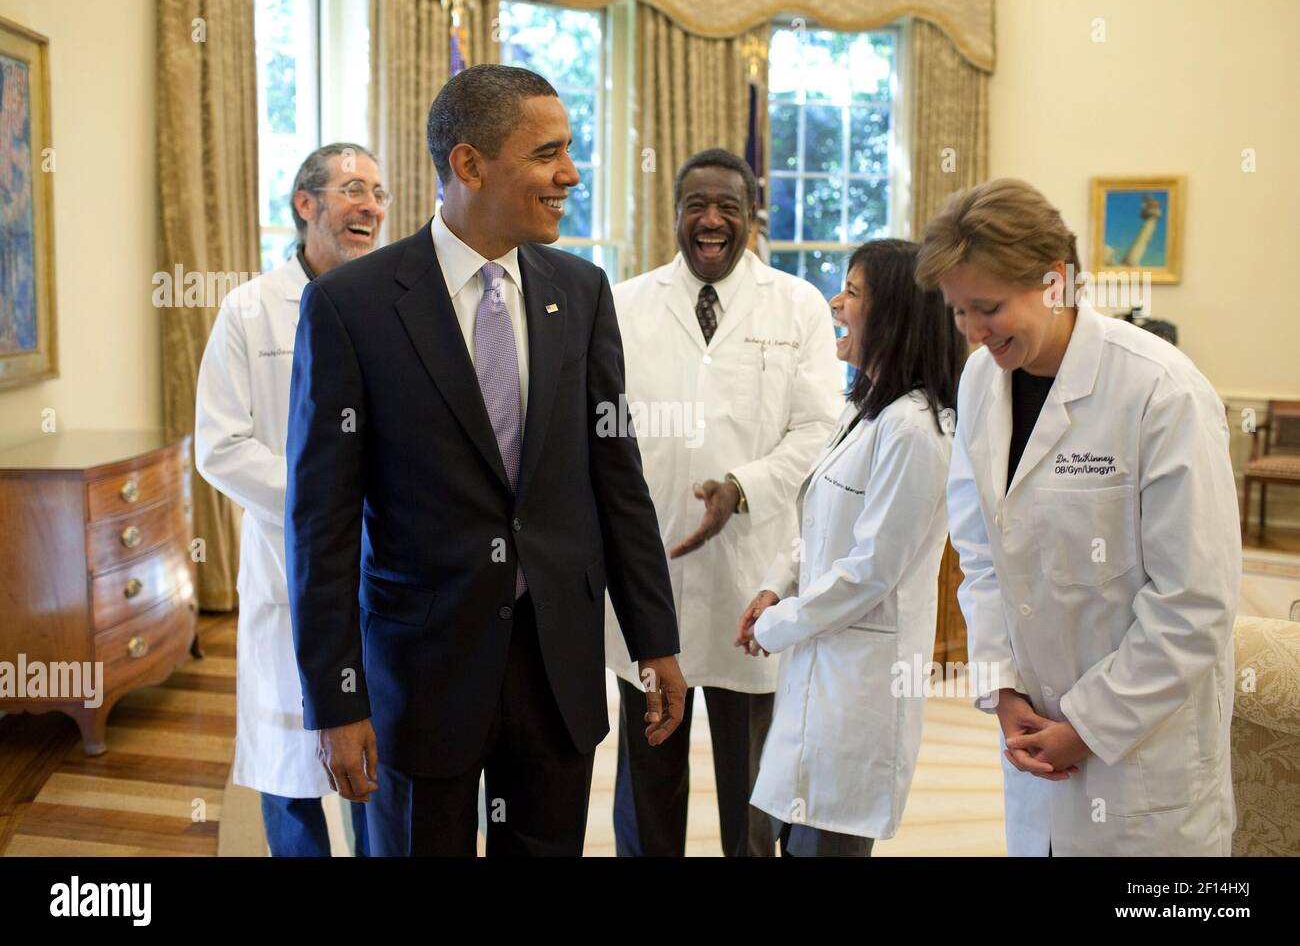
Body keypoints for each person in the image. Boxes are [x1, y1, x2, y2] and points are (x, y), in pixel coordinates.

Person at [284, 64, 687, 857]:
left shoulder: (582, 293)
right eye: (548, 154)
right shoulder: (351, 307)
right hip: (419, 674)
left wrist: (655, 638)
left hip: (556, 669)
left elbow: (618, 478)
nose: (570, 174)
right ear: (469, 165)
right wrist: (337, 700)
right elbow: (321, 526)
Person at [921, 178, 1240, 856]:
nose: (974, 333)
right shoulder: (982, 381)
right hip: (1035, 741)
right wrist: (1001, 686)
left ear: (1058, 282)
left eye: (988, 307)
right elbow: (980, 555)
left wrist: (1089, 726)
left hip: (1145, 767)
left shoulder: (1161, 392)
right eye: (957, 313)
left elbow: (1195, 603)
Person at [605, 149, 841, 857]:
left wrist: (742, 487)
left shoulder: (796, 304)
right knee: (650, 778)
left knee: (754, 789)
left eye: (728, 207)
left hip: (753, 578)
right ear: (674, 215)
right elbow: (600, 430)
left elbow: (820, 429)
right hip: (653, 577)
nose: (711, 220)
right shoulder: (623, 304)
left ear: (752, 218)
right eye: (695, 205)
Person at [737, 239, 963, 857]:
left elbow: (872, 570)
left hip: (862, 688)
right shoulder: (863, 407)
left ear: (893, 315)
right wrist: (774, 587)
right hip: (820, 665)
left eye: (853, 293)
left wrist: (779, 623)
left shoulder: (916, 430)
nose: (836, 304)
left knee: (826, 844)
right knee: (791, 832)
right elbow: (814, 522)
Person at [195, 142, 388, 856]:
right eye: (351, 189)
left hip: (382, 570)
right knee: (290, 772)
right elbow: (218, 446)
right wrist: (323, 498)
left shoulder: (394, 305)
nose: (369, 204)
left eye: (377, 191)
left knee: (376, 763)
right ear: (306, 205)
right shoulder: (250, 312)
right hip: (288, 571)